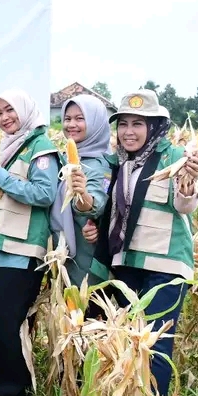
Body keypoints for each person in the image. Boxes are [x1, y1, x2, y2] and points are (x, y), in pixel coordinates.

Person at [89, 90, 198, 396]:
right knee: (127, 339)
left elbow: (185, 206)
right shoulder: (118, 163)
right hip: (126, 263)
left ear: (154, 127)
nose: (129, 132)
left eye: (138, 124)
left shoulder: (176, 158)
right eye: (123, 124)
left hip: (164, 265)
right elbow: (111, 209)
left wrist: (189, 185)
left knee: (155, 342)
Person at [0, 89, 58, 396]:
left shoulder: (41, 146)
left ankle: (15, 390)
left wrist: (1, 177)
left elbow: (44, 193)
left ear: (25, 110)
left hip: (23, 247)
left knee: (8, 319)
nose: (5, 118)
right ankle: (0, 381)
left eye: (10, 110)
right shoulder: (10, 147)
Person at [50, 95, 112, 288]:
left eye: (80, 118)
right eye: (67, 119)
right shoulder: (66, 160)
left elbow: (96, 203)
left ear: (96, 123)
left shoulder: (102, 165)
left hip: (86, 263)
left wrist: (83, 195)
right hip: (62, 258)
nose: (71, 124)